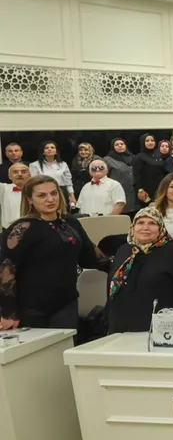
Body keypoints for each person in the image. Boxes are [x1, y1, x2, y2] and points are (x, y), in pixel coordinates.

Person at [0, 175, 102, 330]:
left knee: (64, 351)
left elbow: (90, 257)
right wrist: (8, 313)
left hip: (66, 304)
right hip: (30, 307)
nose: (50, 199)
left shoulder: (71, 223)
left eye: (54, 193)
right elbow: (6, 269)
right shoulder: (22, 228)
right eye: (42, 195)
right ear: (29, 199)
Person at [106, 207, 173, 334]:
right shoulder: (124, 251)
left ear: (161, 227)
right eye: (140, 223)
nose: (145, 227)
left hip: (162, 332)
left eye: (152, 223)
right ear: (133, 227)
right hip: (120, 329)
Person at [28, 140, 75, 205]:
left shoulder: (63, 164)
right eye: (46, 148)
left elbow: (68, 182)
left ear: (56, 151)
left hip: (61, 191)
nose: (49, 149)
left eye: (52, 147)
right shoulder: (34, 165)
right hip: (43, 192)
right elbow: (33, 183)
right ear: (43, 152)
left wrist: (72, 195)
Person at [132, 134, 171, 208]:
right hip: (146, 191)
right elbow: (136, 175)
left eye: (152, 140)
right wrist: (140, 190)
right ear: (143, 142)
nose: (150, 142)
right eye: (147, 141)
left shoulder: (159, 154)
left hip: (161, 189)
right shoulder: (139, 157)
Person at [0, 162, 30, 229]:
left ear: (29, 175)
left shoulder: (37, 190)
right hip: (9, 231)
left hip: (32, 230)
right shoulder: (3, 189)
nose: (19, 174)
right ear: (9, 176)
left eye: (24, 172)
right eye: (15, 172)